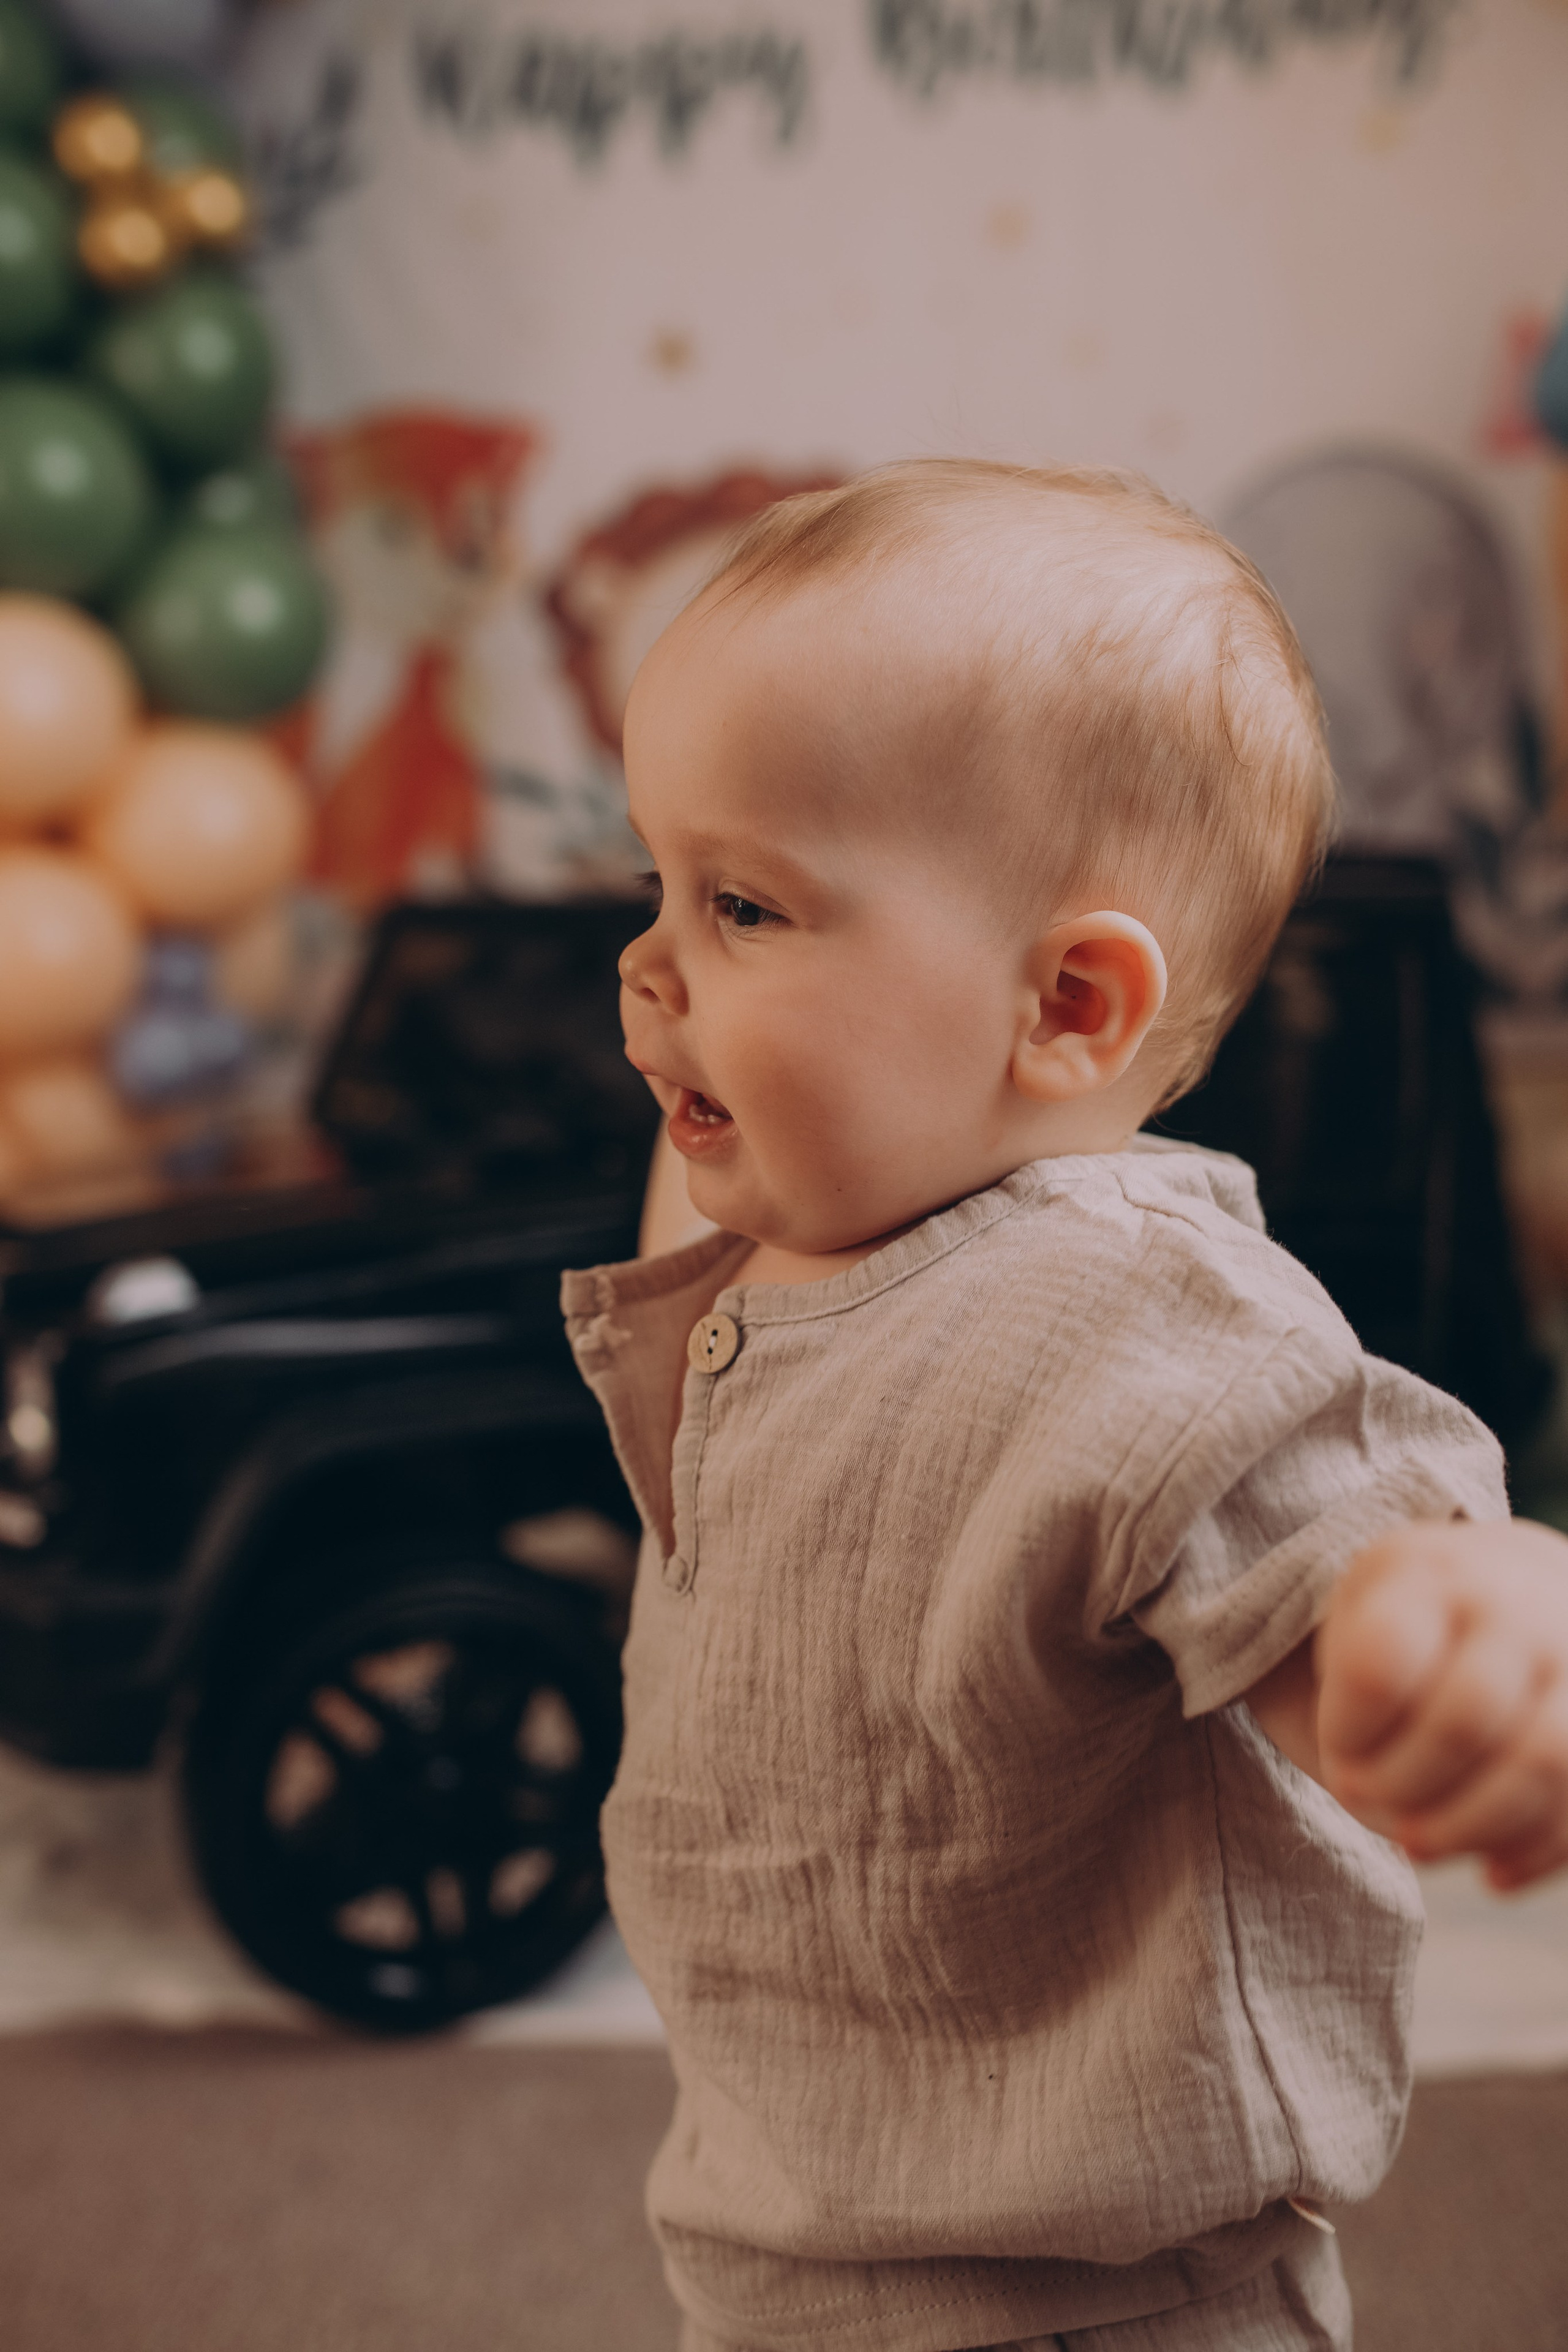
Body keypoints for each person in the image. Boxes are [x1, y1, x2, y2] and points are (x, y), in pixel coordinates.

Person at [560, 460, 1568, 2352]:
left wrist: (1471, 1615)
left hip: (1093, 2310)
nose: (646, 960)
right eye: (656, 883)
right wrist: (744, 1017)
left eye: (747, 904)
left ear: (1070, 1009)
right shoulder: (790, 1227)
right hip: (782, 2261)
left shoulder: (1124, 1312)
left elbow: (1336, 1545)